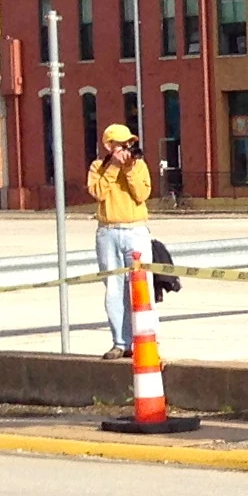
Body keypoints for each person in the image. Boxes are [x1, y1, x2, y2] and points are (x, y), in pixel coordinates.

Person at [85, 124, 155, 360]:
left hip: (135, 231)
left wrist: (128, 169)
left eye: (129, 145)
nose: (127, 149)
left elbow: (142, 195)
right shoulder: (98, 167)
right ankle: (120, 342)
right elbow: (97, 192)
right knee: (114, 289)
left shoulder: (139, 165)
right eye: (121, 145)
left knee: (142, 286)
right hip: (108, 231)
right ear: (109, 146)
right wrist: (114, 168)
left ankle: (145, 339)